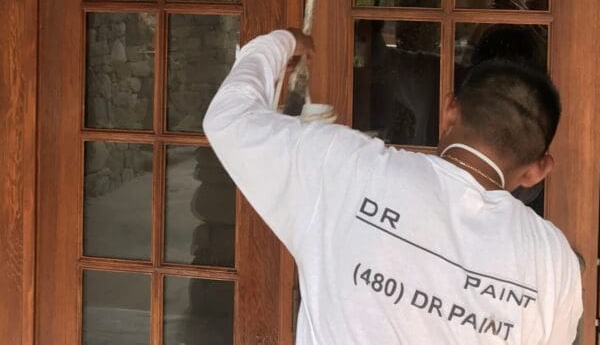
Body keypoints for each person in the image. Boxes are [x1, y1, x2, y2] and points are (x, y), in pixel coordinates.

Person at [203, 29, 582, 344]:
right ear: (538, 171)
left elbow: (229, 118)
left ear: (450, 112)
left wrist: (282, 41)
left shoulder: (346, 170)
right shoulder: (554, 262)